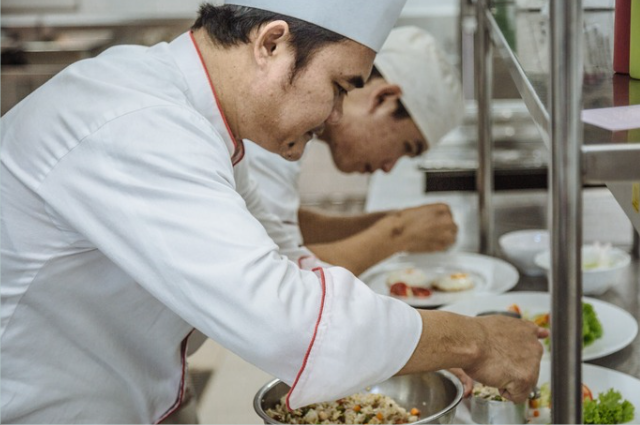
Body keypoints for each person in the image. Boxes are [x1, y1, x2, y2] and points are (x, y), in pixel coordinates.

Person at [0, 1, 547, 423]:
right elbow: (286, 319)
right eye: (338, 87)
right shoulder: (139, 123)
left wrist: (416, 343)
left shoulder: (201, 119)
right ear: (272, 42)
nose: (335, 114)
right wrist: (472, 339)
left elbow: (287, 261)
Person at [245, 26, 464, 276]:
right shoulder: (275, 126)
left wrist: (387, 222)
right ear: (383, 99)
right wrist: (398, 232)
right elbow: (281, 277)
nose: (388, 167)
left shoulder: (295, 129)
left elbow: (278, 226)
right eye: (405, 148)